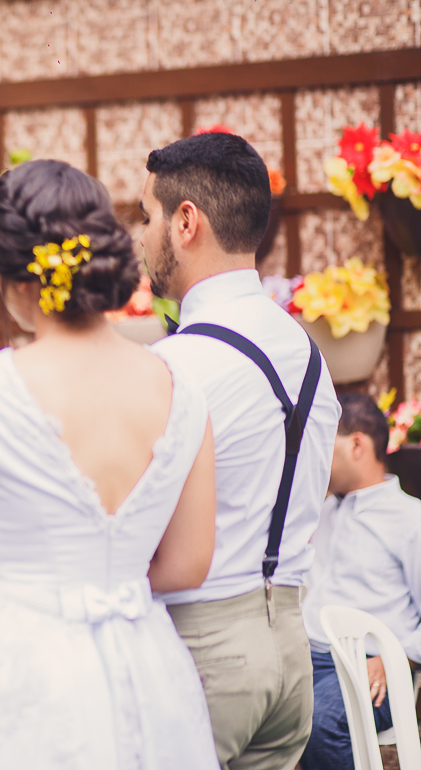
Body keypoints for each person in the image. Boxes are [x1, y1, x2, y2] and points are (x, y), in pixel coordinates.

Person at [0, 159, 219, 768]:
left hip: (15, 661)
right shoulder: (181, 389)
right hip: (143, 661)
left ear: (6, 273)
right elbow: (189, 563)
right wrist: (108, 584)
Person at [143, 132, 341, 770]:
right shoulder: (307, 353)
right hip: (290, 647)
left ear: (186, 221)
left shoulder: (179, 365)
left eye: (146, 217)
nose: (142, 237)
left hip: (205, 647)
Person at [299, 395, 421, 770]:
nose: (314, 457)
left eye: (323, 444)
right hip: (304, 656)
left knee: (316, 723)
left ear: (357, 444)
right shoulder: (319, 511)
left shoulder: (409, 520)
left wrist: (397, 655)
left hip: (370, 667)